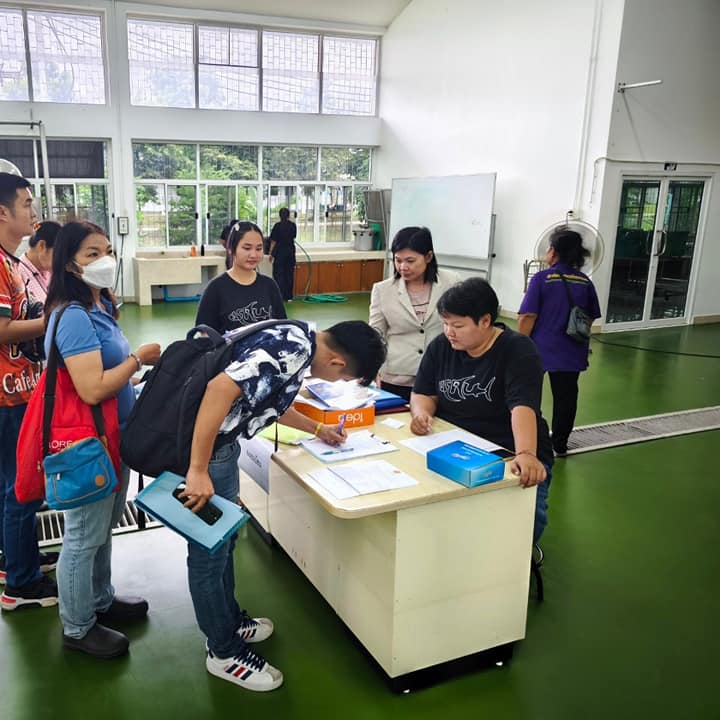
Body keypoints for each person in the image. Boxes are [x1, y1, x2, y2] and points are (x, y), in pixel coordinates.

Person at [179, 320, 387, 691]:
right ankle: (223, 652)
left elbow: (266, 398)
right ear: (337, 362)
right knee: (209, 555)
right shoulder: (291, 350)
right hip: (209, 453)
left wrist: (318, 429)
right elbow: (218, 390)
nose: (335, 382)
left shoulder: (297, 336)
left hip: (218, 450)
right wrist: (197, 468)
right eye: (342, 379)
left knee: (223, 543)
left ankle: (228, 622)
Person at [43, 221, 162, 657]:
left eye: (107, 250)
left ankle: (99, 599)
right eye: (92, 254)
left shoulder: (100, 305)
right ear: (69, 264)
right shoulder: (73, 316)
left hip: (113, 436)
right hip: (87, 443)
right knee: (83, 535)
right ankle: (77, 627)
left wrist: (136, 378)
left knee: (102, 528)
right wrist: (137, 360)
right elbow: (92, 388)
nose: (105, 260)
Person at [0, 172, 57, 608]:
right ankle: (22, 584)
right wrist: (51, 320)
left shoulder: (7, 259)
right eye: (26, 203)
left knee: (9, 479)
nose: (33, 211)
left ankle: (14, 559)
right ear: (2, 212)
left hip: (15, 386)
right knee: (23, 486)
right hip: (4, 393)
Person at [409, 278, 552, 544]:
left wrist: (526, 454)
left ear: (485, 321)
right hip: (454, 445)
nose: (449, 332)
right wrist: (421, 414)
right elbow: (423, 392)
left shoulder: (518, 350)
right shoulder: (441, 346)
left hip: (506, 449)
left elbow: (522, 406)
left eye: (458, 325)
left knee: (523, 522)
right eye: (445, 323)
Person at [517, 228, 602, 456]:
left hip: (539, 349)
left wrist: (518, 345)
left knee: (527, 394)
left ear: (553, 251)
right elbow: (590, 316)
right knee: (566, 397)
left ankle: (530, 439)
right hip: (572, 350)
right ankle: (560, 444)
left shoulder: (542, 279)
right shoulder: (585, 282)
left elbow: (527, 316)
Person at [369, 226, 460, 401]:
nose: (403, 267)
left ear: (428, 257)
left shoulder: (451, 282)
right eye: (398, 260)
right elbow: (376, 334)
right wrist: (371, 368)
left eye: (410, 261)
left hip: (442, 374)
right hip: (397, 376)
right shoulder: (382, 290)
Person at [196, 221, 285, 333]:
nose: (253, 255)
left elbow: (282, 326)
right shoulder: (215, 288)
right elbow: (205, 334)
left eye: (258, 249)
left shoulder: (270, 285)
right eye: (247, 248)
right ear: (231, 249)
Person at [17, 220, 61, 306]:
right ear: (42, 246)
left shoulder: (49, 271)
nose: (61, 259)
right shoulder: (19, 275)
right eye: (59, 253)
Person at [268, 208, 297, 301]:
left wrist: (270, 253)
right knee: (289, 274)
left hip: (279, 252)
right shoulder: (293, 225)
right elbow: (293, 237)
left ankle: (280, 296)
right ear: (288, 215)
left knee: (279, 274)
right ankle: (289, 297)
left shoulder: (277, 226)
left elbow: (273, 241)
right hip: (290, 252)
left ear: (280, 215)